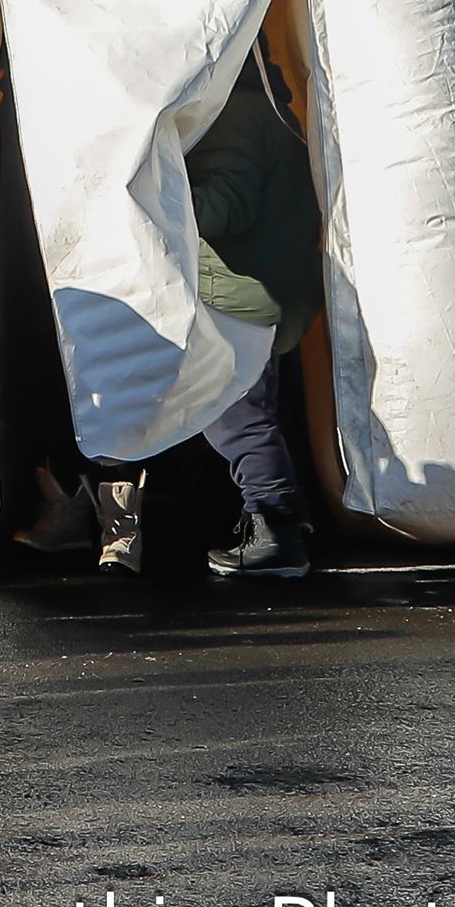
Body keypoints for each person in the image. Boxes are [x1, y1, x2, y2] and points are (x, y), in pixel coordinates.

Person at [189, 52, 323, 578]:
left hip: (240, 295)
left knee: (234, 416)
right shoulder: (273, 111)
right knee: (257, 411)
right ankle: (289, 522)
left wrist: (158, 197)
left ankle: (277, 536)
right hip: (271, 291)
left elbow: (227, 206)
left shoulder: (235, 116)